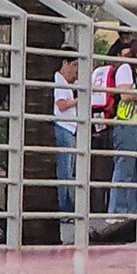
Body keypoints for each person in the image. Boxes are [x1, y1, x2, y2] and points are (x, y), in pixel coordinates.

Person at [103, 37, 137, 216]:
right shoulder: (126, 69)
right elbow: (125, 95)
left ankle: (132, 211)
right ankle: (117, 211)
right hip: (127, 124)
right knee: (125, 169)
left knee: (136, 172)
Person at [52, 54, 82, 217]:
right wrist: (79, 100)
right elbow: (62, 105)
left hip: (69, 129)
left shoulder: (66, 83)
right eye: (74, 65)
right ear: (65, 63)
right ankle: (64, 209)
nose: (76, 69)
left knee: (68, 170)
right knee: (64, 171)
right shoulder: (59, 82)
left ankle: (67, 206)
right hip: (63, 128)